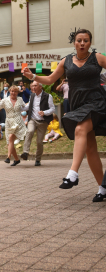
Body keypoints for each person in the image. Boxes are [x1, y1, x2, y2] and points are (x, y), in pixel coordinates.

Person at [23, 29, 106, 202]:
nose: (82, 43)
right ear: (74, 42)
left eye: (86, 40)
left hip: (96, 102)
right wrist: (34, 76)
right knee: (90, 148)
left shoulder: (97, 58)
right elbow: (51, 79)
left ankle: (73, 174)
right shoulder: (66, 61)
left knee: (80, 130)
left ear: (90, 42)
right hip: (78, 104)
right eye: (79, 40)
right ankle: (102, 188)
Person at [0, 86, 27, 166]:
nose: (13, 93)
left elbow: (25, 107)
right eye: (12, 91)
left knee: (10, 138)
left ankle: (8, 157)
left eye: (15, 91)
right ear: (9, 91)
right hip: (9, 122)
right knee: (9, 142)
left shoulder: (20, 99)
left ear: (17, 92)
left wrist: (33, 105)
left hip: (18, 122)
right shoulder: (5, 100)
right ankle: (16, 159)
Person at [20, 81, 55, 166]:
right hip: (33, 119)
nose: (33, 87)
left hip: (43, 122)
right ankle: (25, 152)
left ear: (40, 86)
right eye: (32, 86)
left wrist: (44, 112)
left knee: (39, 142)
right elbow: (29, 106)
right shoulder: (32, 96)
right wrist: (19, 108)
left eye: (35, 85)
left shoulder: (47, 96)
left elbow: (53, 109)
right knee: (30, 131)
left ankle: (38, 159)